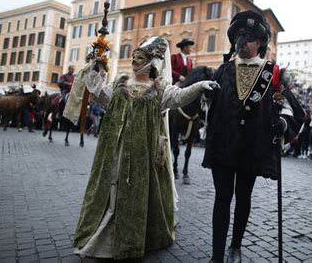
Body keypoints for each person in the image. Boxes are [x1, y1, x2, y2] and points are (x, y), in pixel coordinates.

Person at [67, 37, 218, 260]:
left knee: (137, 193)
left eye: (140, 58)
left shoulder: (159, 90)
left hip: (141, 156)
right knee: (110, 188)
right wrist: (95, 70)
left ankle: (133, 237)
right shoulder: (119, 83)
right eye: (134, 57)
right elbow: (100, 96)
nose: (135, 61)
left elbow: (178, 97)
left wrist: (198, 86)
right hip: (114, 151)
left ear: (151, 63)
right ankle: (103, 231)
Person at [201, 11, 304, 263]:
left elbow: (291, 108)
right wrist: (207, 96)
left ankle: (236, 246)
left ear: (260, 42)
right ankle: (217, 255)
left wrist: (282, 122)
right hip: (224, 144)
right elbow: (209, 106)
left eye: (247, 37)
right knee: (222, 198)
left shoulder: (272, 73)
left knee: (243, 197)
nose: (241, 41)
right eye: (238, 36)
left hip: (251, 146)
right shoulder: (224, 70)